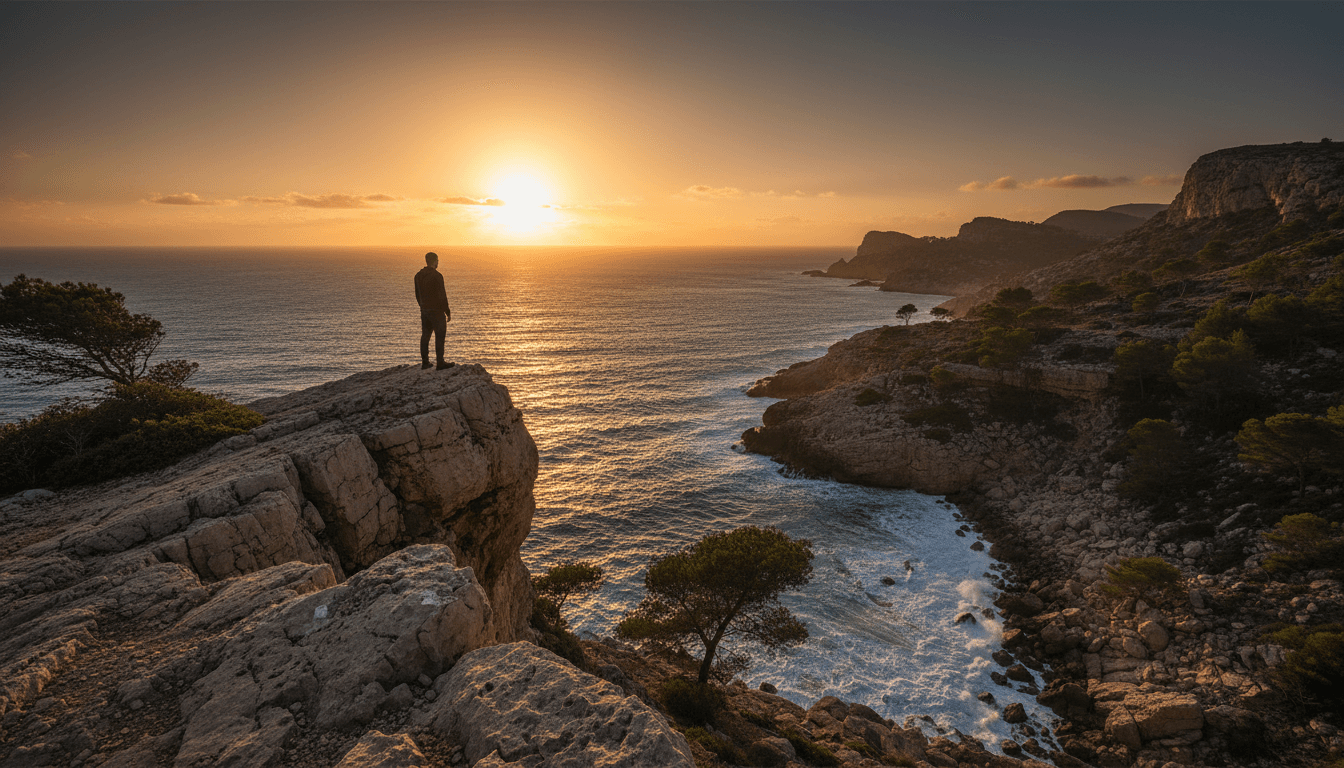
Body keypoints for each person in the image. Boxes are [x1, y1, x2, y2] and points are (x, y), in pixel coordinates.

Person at [414, 252, 454, 370]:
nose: (438, 263)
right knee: (439, 336)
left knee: (425, 336)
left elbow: (417, 294)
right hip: (437, 311)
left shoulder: (418, 276)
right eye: (438, 261)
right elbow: (442, 295)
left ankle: (425, 363)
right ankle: (440, 363)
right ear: (435, 261)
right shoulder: (437, 276)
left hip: (424, 310)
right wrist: (447, 311)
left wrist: (422, 306)